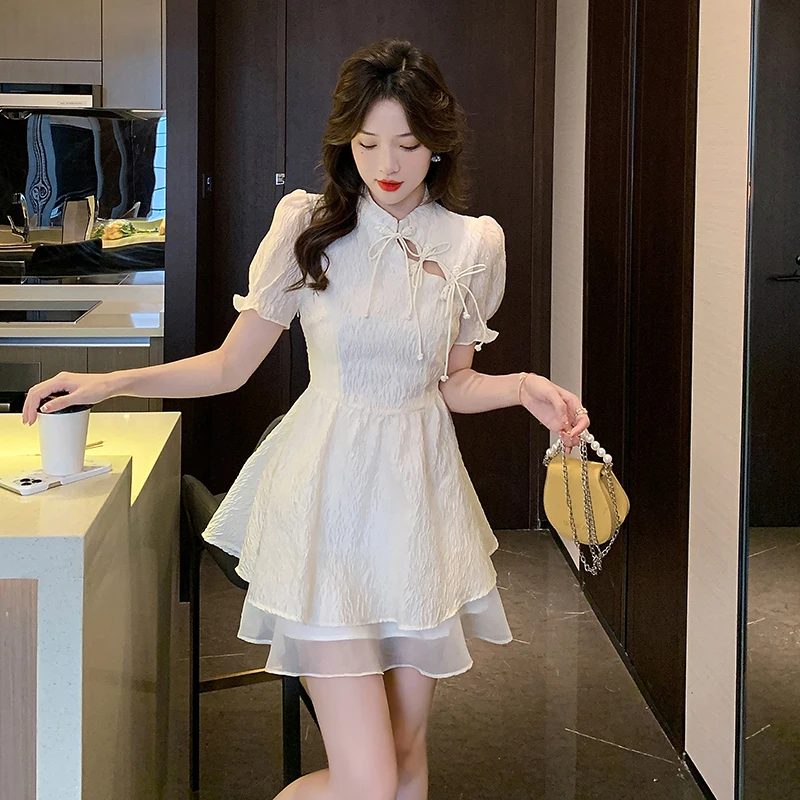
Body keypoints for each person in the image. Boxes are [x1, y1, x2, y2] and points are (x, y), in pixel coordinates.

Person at [22, 38, 590, 800]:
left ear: (437, 144)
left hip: (418, 514)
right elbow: (230, 366)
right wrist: (106, 382)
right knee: (369, 782)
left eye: (407, 144)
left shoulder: (473, 246)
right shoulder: (308, 227)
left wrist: (523, 388)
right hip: (325, 514)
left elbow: (451, 385)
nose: (386, 163)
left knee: (407, 770)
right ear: (345, 140)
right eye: (367, 143)